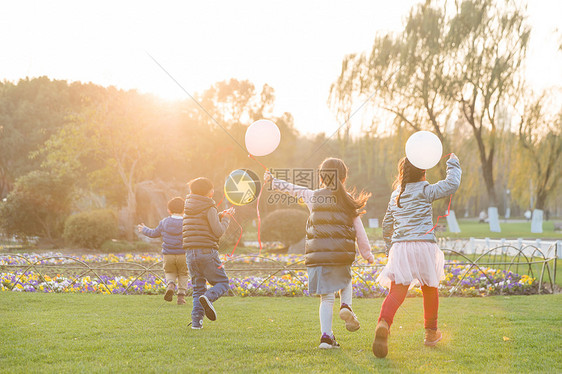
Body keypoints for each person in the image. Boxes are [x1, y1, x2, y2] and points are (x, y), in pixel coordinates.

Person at [265, 158, 375, 349]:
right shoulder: (348, 200)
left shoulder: (313, 196)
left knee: (327, 298)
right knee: (345, 278)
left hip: (319, 256)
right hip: (342, 255)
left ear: (322, 177)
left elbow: (293, 189)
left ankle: (326, 337)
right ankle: (346, 306)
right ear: (343, 177)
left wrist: (273, 181)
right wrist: (367, 253)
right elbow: (360, 230)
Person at [373, 154, 461, 358]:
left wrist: (390, 248)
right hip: (424, 245)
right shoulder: (426, 190)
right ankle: (431, 334)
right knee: (430, 288)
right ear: (423, 172)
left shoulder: (396, 196)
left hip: (401, 247)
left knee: (397, 291)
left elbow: (387, 225)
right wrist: (453, 163)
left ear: (402, 173)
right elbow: (451, 184)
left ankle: (384, 323)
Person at [183, 177, 234, 330]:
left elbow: (200, 224)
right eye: (212, 188)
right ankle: (209, 298)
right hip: (207, 252)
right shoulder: (209, 207)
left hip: (190, 254)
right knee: (223, 283)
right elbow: (218, 231)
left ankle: (197, 323)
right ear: (208, 192)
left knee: (198, 288)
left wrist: (219, 216)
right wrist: (226, 220)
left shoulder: (188, 207)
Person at [138, 197, 187, 305]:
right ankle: (181, 297)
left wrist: (144, 229)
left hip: (168, 254)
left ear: (169, 210)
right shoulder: (187, 223)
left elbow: (154, 233)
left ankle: (170, 285)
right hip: (183, 254)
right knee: (183, 274)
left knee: (170, 272)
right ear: (184, 210)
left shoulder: (164, 222)